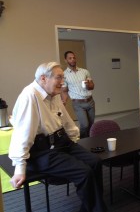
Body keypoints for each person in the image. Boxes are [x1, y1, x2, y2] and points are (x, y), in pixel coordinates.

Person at [9, 62, 106, 212]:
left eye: (63, 77)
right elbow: (22, 134)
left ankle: (90, 206)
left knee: (95, 162)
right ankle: (96, 209)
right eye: (59, 77)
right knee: (84, 173)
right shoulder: (29, 96)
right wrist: (19, 168)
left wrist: (74, 139)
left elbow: (65, 119)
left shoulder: (53, 93)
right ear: (43, 78)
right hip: (43, 151)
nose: (63, 82)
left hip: (62, 142)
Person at [61, 51, 95, 138]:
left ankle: (91, 141)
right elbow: (64, 91)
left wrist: (89, 85)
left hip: (90, 101)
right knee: (85, 125)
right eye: (70, 58)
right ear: (66, 60)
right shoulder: (64, 75)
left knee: (91, 125)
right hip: (78, 104)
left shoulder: (85, 71)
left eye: (74, 58)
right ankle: (83, 142)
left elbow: (92, 86)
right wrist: (63, 102)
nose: (73, 60)